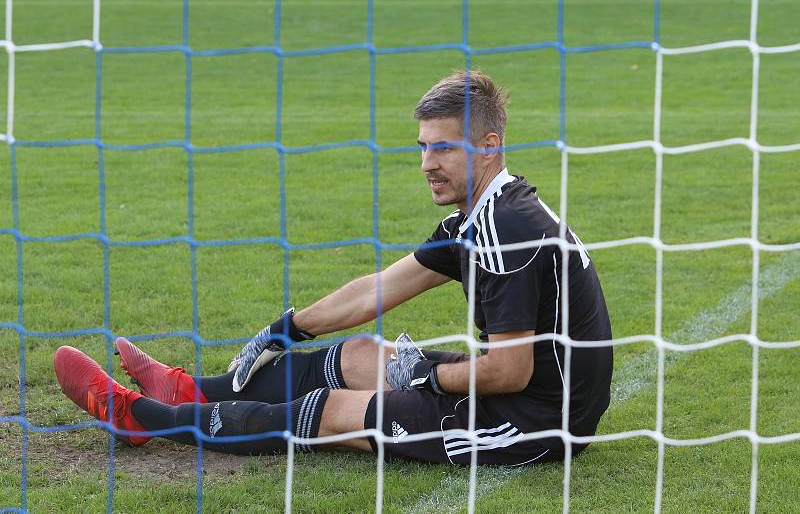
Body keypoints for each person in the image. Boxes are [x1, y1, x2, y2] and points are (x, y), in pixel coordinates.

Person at [54, 71, 613, 466]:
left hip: (534, 423)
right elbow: (377, 289)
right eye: (422, 148)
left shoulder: (506, 229)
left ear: (490, 146)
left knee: (331, 411)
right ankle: (188, 388)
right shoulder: (481, 216)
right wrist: (288, 327)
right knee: (358, 355)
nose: (426, 165)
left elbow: (509, 371)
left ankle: (142, 416)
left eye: (442, 149)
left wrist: (427, 377)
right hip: (522, 391)